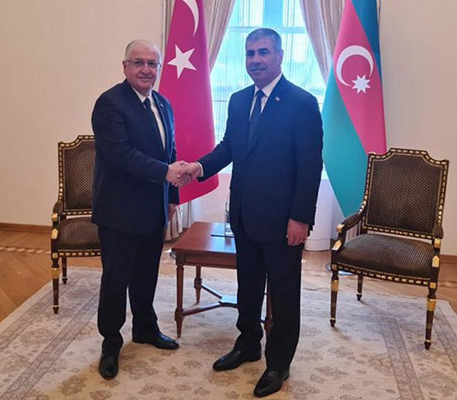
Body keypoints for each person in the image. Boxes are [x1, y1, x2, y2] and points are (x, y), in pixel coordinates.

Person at [184, 28, 323, 397]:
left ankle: (279, 364)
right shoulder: (238, 100)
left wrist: (301, 218)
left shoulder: (302, 103)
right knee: (247, 286)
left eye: (263, 52)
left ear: (279, 56)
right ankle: (248, 344)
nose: (256, 60)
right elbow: (230, 146)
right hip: (244, 216)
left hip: (283, 222)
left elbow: (310, 166)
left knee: (284, 293)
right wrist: (199, 167)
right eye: (250, 53)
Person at [91, 39, 188, 380]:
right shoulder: (109, 104)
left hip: (153, 209)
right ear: (125, 67)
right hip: (118, 211)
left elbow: (170, 150)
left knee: (146, 275)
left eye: (152, 63)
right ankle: (111, 342)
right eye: (139, 62)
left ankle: (145, 328)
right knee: (116, 279)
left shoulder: (163, 103)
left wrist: (172, 196)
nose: (146, 69)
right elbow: (120, 154)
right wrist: (165, 173)